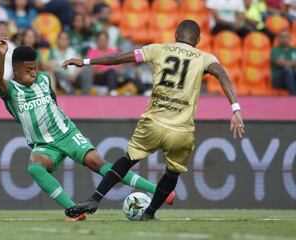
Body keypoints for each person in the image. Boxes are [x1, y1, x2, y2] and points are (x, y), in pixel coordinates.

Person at [62, 19, 245, 221]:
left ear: (175, 35)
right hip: (181, 130)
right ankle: (149, 214)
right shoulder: (205, 58)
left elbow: (119, 58)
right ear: (199, 40)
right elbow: (222, 75)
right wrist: (235, 108)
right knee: (172, 173)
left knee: (127, 160)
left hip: (153, 123)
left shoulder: (158, 49)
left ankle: (95, 199)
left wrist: (86, 61)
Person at [0, 39, 176, 221]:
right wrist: (2, 56)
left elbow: (53, 101)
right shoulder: (10, 90)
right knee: (35, 168)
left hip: (66, 133)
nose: (34, 73)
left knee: (98, 164)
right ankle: (74, 210)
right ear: (15, 70)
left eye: (35, 68)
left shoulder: (44, 79)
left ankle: (161, 191)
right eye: (29, 70)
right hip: (43, 144)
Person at [270, 29, 296, 95]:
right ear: (278, 39)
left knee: (290, 71)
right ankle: (293, 95)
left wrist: (287, 63)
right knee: (287, 70)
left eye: (286, 37)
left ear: (290, 38)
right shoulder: (275, 50)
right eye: (282, 37)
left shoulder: (294, 50)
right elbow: (280, 63)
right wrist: (293, 63)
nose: (284, 39)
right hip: (278, 80)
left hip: (293, 77)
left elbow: (284, 62)